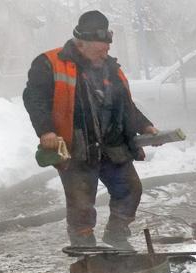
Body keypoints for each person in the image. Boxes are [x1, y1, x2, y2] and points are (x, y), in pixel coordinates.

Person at [22, 10, 159, 248]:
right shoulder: (49, 63)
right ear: (81, 43)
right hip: (78, 149)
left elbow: (125, 105)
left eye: (106, 49)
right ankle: (84, 247)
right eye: (100, 50)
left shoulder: (111, 68)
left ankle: (116, 235)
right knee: (81, 204)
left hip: (112, 146)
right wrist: (46, 131)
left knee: (130, 190)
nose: (105, 54)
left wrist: (145, 125)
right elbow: (35, 99)